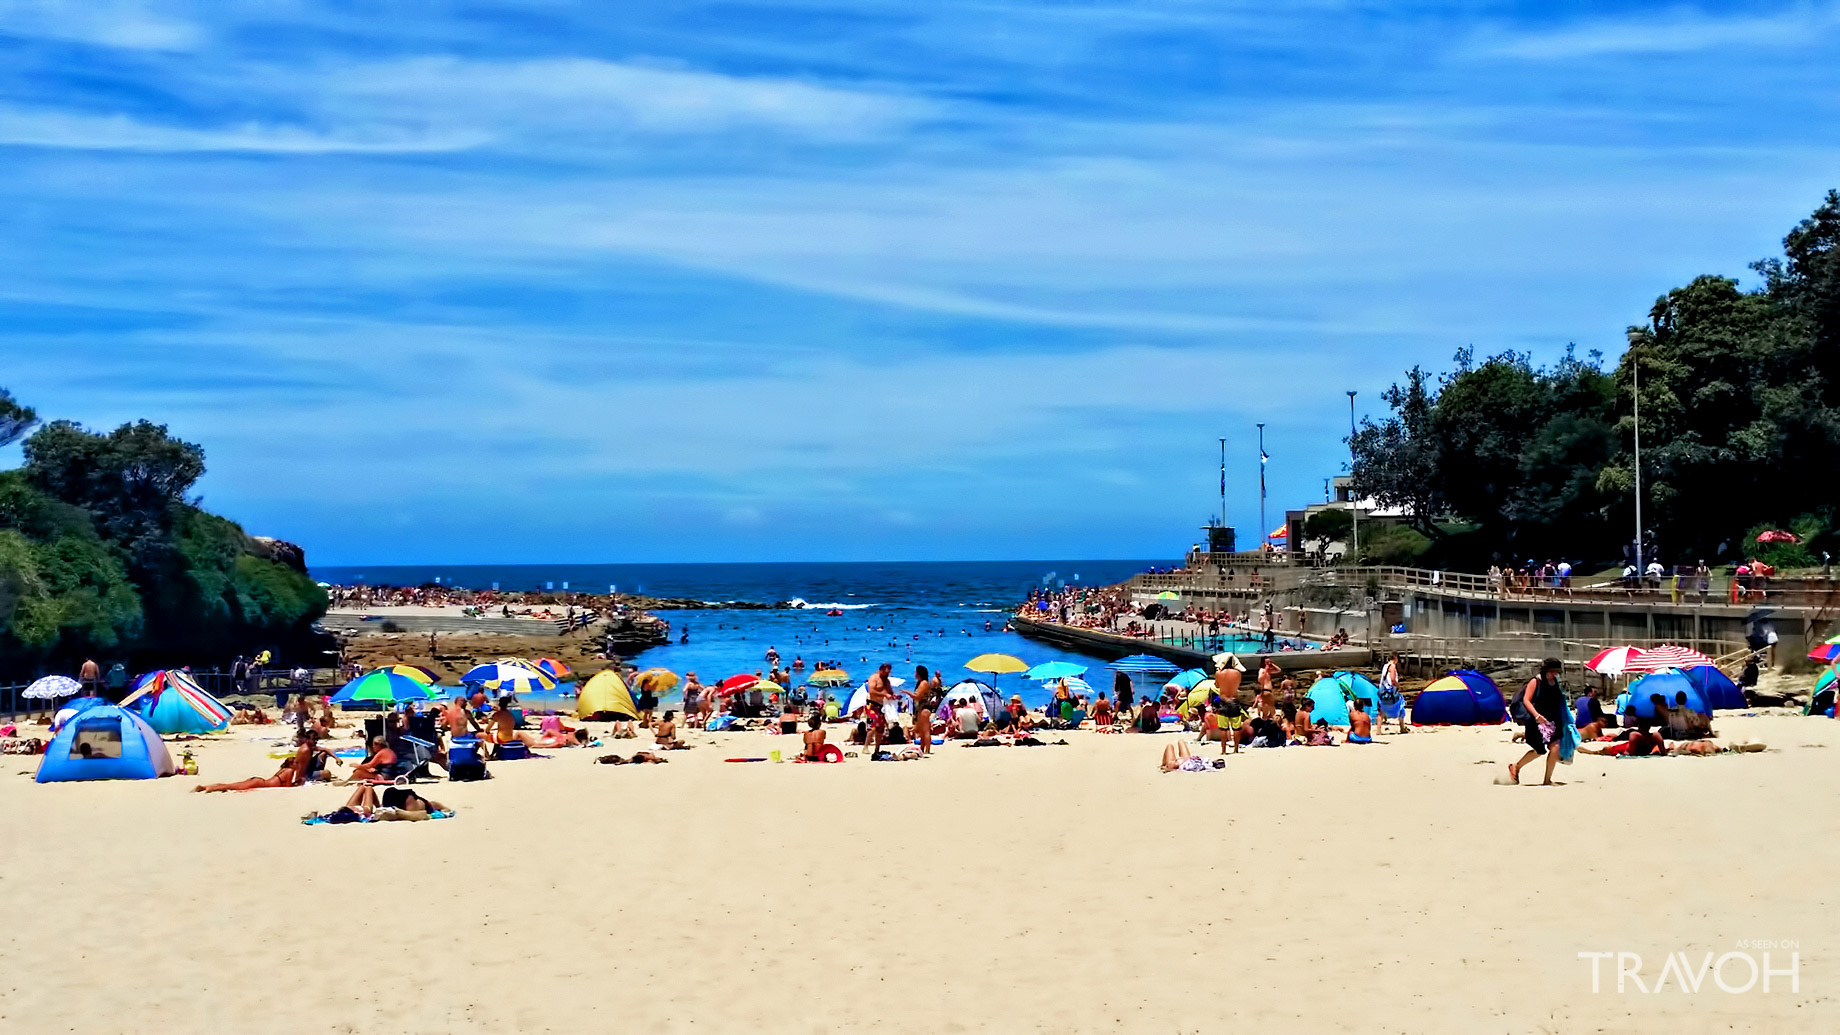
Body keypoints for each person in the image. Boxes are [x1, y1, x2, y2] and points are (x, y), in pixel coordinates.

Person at [1507, 658, 1565, 786]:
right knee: (1539, 751)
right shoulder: (1535, 681)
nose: (1554, 674)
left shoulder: (1554, 682)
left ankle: (1547, 780)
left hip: (1551, 720)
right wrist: (1537, 715)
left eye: (1556, 672)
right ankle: (1516, 766)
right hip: (1536, 721)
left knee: (1555, 748)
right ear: (1546, 670)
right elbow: (1526, 700)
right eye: (1552, 671)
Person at [862, 663, 893, 761]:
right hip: (871, 704)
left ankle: (877, 749)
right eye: (885, 672)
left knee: (881, 728)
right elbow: (871, 691)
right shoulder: (874, 678)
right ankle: (866, 746)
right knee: (873, 726)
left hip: (881, 706)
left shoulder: (887, 681)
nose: (887, 675)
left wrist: (893, 695)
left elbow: (890, 692)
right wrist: (883, 694)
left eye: (888, 673)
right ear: (881, 670)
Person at [908, 665, 937, 756]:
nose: (914, 674)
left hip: (925, 708)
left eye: (916, 672)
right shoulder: (920, 683)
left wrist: (907, 692)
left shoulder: (924, 683)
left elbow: (918, 696)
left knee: (925, 730)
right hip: (920, 708)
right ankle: (922, 747)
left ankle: (927, 749)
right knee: (921, 730)